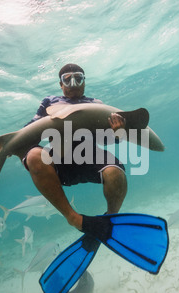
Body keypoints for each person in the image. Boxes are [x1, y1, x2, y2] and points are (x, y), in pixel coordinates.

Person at [21, 63, 127, 231]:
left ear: (84, 82)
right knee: (33, 155)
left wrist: (119, 133)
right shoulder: (49, 102)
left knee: (116, 173)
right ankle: (73, 218)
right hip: (60, 159)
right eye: (67, 79)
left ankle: (110, 219)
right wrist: (8, 144)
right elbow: (30, 129)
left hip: (91, 156)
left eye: (78, 79)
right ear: (60, 84)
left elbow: (106, 140)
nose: (73, 84)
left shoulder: (96, 104)